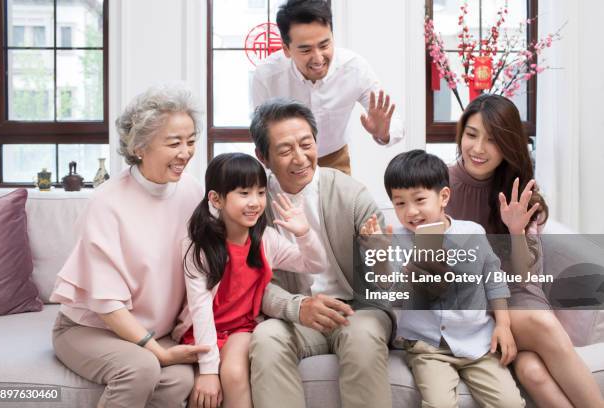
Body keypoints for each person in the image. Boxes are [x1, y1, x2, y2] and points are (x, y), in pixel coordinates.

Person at [49, 86, 209, 407]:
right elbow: (107, 305)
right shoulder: (107, 202)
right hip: (90, 329)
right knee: (140, 367)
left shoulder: (193, 192)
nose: (186, 152)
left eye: (191, 141)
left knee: (179, 378)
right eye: (174, 142)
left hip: (153, 329)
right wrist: (157, 351)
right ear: (139, 147)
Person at [447, 93, 604, 408]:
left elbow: (523, 278)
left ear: (508, 145)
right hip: (474, 304)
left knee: (534, 364)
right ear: (461, 134)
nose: (478, 149)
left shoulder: (519, 191)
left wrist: (516, 232)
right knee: (535, 352)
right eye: (471, 135)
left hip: (519, 298)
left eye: (491, 140)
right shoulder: (439, 185)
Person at [247, 98, 395, 408]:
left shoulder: (350, 193)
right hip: (296, 315)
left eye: (306, 144)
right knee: (266, 338)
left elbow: (386, 284)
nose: (300, 158)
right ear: (263, 157)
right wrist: (297, 306)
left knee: (363, 337)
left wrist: (380, 252)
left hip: (356, 310)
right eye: (286, 150)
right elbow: (248, 281)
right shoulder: (254, 206)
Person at [366, 149, 524, 407]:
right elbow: (392, 294)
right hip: (427, 350)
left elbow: (493, 280)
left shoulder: (472, 232)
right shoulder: (396, 240)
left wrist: (503, 325)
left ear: (444, 197)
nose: (411, 211)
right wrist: (380, 256)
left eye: (419, 199)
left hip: (478, 345)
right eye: (400, 203)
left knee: (510, 404)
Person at [172, 153, 326, 408]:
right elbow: (200, 310)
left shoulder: (266, 239)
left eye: (260, 193)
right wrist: (208, 371)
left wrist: (304, 233)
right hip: (201, 331)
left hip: (242, 329)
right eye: (244, 193)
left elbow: (315, 264)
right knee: (205, 393)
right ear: (216, 199)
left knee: (233, 373)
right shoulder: (197, 247)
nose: (255, 202)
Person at [251, 0, 403, 175]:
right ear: (286, 49)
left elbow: (397, 124)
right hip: (286, 162)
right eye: (306, 50)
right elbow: (260, 132)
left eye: (324, 45)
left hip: (334, 159)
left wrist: (383, 133)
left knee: (344, 202)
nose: (318, 58)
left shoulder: (355, 69)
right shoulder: (267, 76)